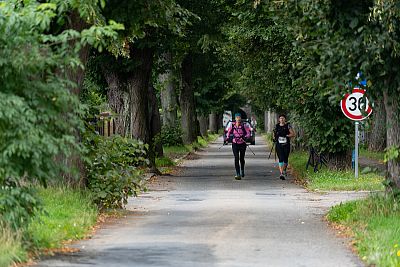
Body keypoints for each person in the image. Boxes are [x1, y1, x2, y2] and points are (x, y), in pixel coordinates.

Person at [225, 113, 251, 180]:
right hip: (235, 143)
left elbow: (248, 133)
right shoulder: (232, 125)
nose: (238, 119)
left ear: (240, 118)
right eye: (237, 118)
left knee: (241, 158)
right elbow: (228, 132)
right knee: (236, 158)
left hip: (242, 143)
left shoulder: (244, 125)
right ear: (235, 119)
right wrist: (227, 138)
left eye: (239, 117)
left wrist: (245, 137)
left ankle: (242, 170)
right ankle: (238, 173)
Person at [273, 114, 295, 180]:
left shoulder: (288, 126)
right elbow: (274, 133)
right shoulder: (277, 126)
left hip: (286, 145)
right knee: (280, 158)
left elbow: (293, 134)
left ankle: (284, 170)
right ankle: (281, 173)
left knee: (285, 159)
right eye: (280, 118)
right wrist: (274, 138)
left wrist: (286, 135)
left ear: (285, 119)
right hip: (279, 145)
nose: (281, 119)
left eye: (283, 118)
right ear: (279, 119)